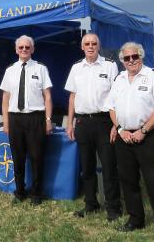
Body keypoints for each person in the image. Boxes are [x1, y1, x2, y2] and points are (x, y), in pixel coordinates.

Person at [107, 42, 154, 242]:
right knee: (128, 181)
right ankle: (135, 219)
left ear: (141, 56)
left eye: (134, 57)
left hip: (148, 137)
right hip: (124, 137)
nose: (131, 61)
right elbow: (111, 107)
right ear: (122, 61)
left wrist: (143, 130)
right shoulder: (119, 79)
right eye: (126, 58)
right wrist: (120, 129)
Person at [64, 33, 122, 221]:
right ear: (82, 47)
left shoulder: (110, 65)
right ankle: (91, 204)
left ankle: (113, 208)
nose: (90, 46)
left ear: (99, 45)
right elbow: (72, 97)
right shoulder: (76, 68)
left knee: (109, 166)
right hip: (82, 122)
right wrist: (70, 123)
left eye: (94, 43)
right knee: (87, 167)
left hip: (104, 121)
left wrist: (116, 124)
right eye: (87, 43)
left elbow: (117, 96)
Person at [0, 35, 53, 205]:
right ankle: (20, 192)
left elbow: (48, 97)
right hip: (15, 119)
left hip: (35, 118)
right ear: (16, 50)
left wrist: (48, 119)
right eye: (21, 47)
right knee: (18, 157)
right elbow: (5, 99)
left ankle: (36, 194)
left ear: (33, 49)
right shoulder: (10, 70)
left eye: (27, 47)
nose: (24, 50)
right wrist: (6, 122)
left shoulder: (40, 68)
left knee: (37, 157)